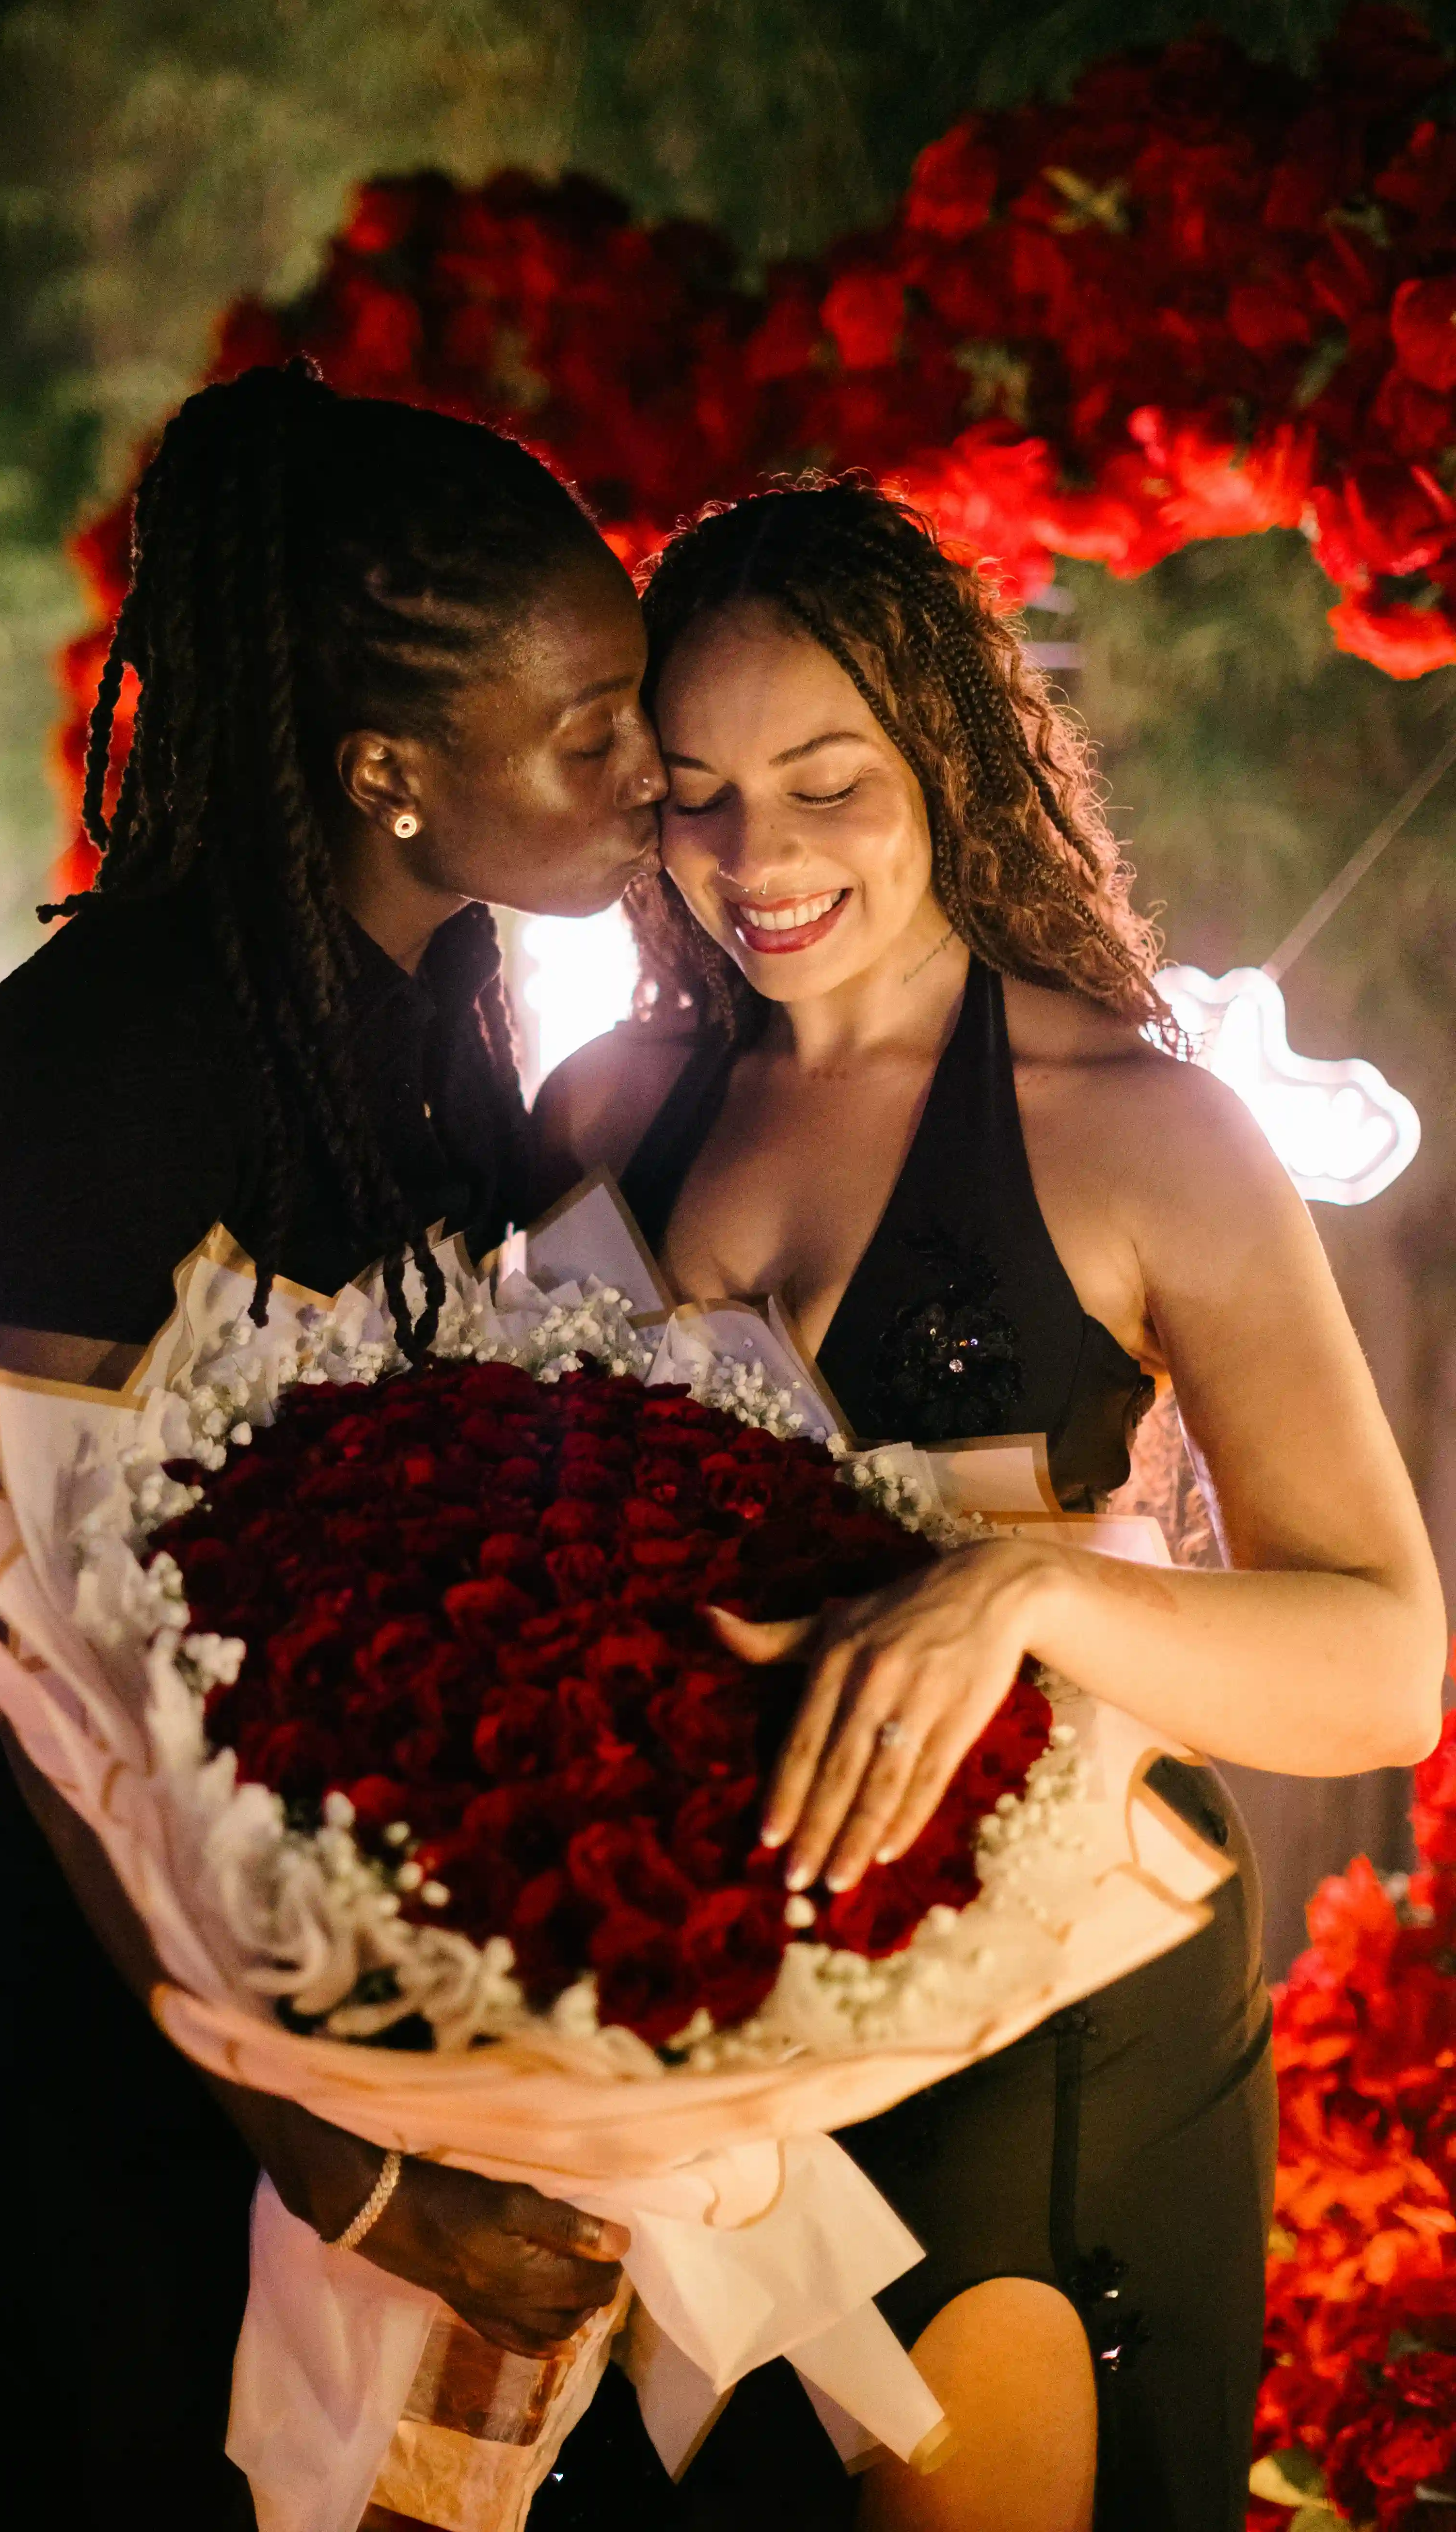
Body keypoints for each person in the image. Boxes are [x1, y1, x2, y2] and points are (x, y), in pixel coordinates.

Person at [531, 476, 1447, 2532]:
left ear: (948, 753)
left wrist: (1015, 1602)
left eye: (825, 781)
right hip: (680, 2013)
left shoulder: (1143, 1131)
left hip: (1042, 2018)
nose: (754, 858)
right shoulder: (596, 1118)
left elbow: (1388, 1662)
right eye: (693, 795)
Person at [0, 362, 661, 2531]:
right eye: (588, 731)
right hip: (69, 1960)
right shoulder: (88, 1072)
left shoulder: (453, 1021)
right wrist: (335, 2155)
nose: (647, 773)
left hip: (304, 1953)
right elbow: (50, 1665)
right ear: (391, 764)